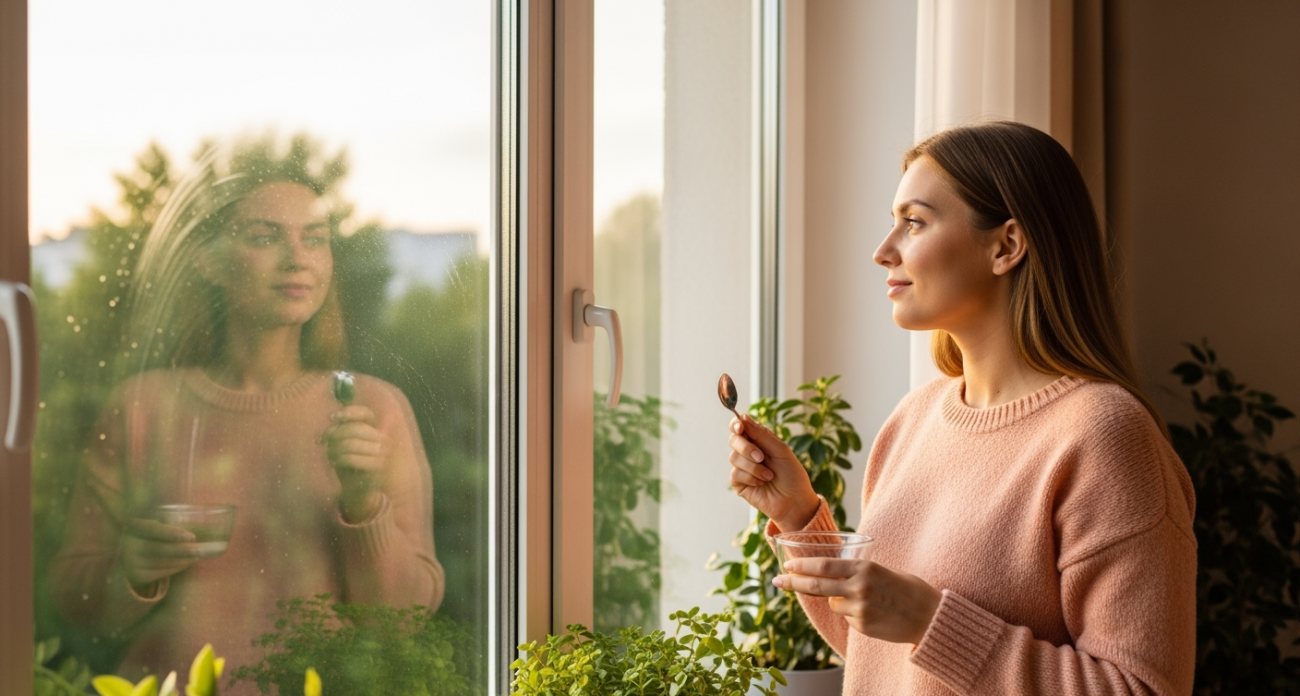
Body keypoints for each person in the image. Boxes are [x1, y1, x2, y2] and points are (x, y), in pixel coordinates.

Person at [726, 122, 1196, 695]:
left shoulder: (1103, 436)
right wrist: (801, 518)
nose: (883, 250)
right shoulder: (913, 420)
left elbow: (1141, 689)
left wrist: (929, 620)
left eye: (914, 221)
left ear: (1006, 246)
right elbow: (887, 659)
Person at [50, 139, 445, 686]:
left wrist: (363, 502)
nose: (297, 259)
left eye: (314, 239)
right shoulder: (142, 407)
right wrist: (129, 574)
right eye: (264, 237)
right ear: (208, 260)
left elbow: (403, 623)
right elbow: (73, 599)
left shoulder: (373, 410)